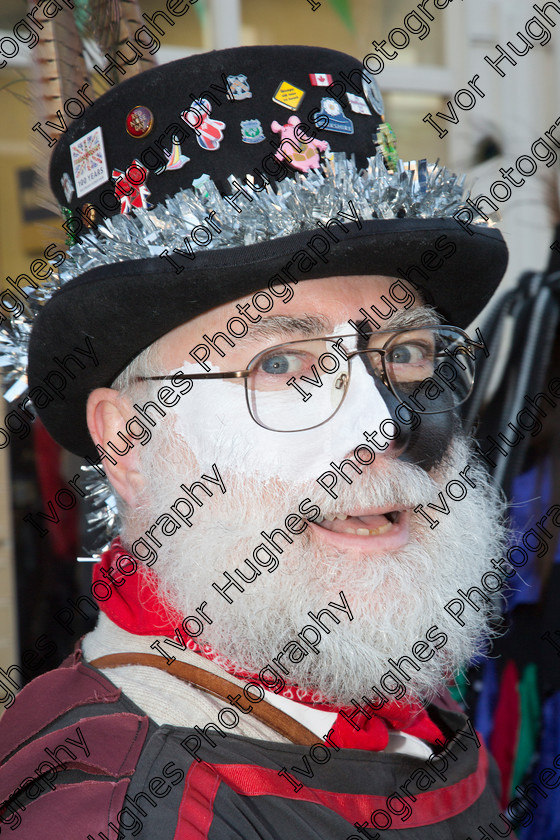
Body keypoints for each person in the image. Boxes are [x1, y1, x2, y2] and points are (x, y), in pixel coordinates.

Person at [0, 44, 513, 838]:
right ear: (129, 439)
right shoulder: (112, 812)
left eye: (406, 354)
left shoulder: (385, 693)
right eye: (281, 363)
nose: (385, 426)